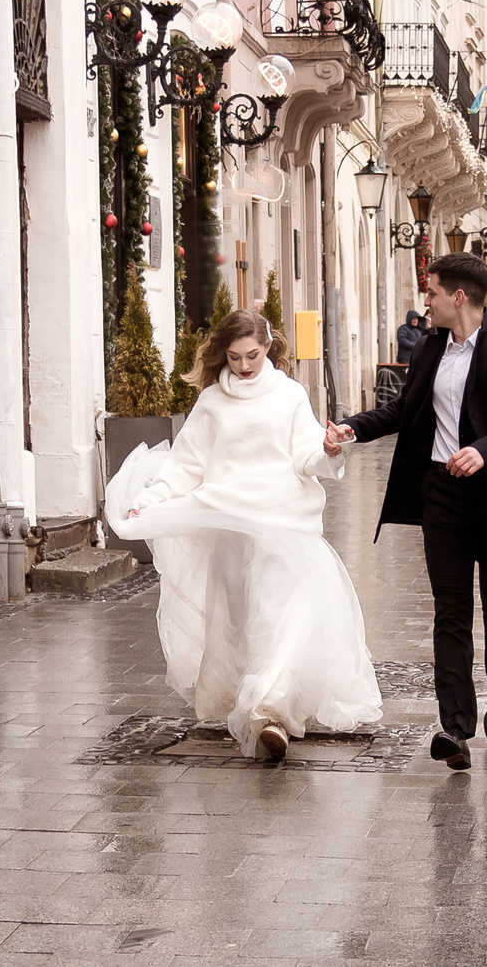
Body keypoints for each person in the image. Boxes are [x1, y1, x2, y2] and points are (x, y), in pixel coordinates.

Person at [107, 311, 382, 761]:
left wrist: (328, 449)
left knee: (280, 614)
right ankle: (264, 704)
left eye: (252, 355)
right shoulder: (212, 402)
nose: (244, 366)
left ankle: (270, 713)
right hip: (230, 524)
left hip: (284, 522)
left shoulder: (291, 395)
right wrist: (152, 498)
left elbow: (306, 453)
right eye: (234, 357)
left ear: (268, 347)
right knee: (241, 621)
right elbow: (187, 465)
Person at [329, 254, 487, 771]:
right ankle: (455, 728)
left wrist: (486, 450)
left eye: (431, 292)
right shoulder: (431, 347)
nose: (425, 302)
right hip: (442, 494)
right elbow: (403, 409)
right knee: (450, 609)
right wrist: (351, 429)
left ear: (458, 297)